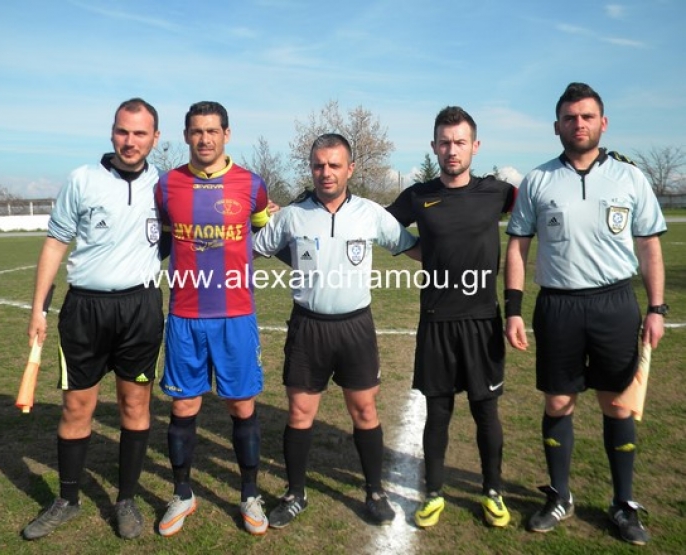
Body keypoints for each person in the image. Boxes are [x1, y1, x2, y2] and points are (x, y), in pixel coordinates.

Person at [504, 82, 666, 546]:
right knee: (558, 402)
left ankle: (623, 503)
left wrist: (656, 308)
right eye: (570, 117)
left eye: (587, 116)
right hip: (557, 305)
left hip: (614, 304)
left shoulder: (630, 178)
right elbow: (517, 248)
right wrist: (513, 310)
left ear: (603, 122)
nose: (579, 124)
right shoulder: (536, 181)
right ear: (557, 126)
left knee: (617, 405)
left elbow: (649, 246)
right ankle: (559, 496)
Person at [253, 133, 420, 528]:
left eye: (333, 165)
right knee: (300, 412)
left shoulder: (371, 213)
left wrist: (461, 248)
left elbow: (412, 247)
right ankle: (295, 493)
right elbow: (251, 249)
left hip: (355, 328)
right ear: (311, 168)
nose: (325, 172)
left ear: (350, 169)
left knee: (364, 409)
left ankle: (374, 492)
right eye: (318, 165)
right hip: (308, 327)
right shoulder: (292, 216)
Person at [22, 98, 164, 540]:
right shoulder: (82, 180)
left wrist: (261, 210)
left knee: (134, 405)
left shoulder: (166, 185)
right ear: (112, 133)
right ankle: (66, 499)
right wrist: (37, 309)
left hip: (140, 310)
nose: (130, 141)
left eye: (140, 133)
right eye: (123, 131)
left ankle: (125, 499)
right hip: (85, 309)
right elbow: (54, 243)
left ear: (155, 139)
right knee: (77, 406)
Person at [386, 106, 516, 529]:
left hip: (482, 321)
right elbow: (384, 228)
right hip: (437, 320)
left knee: (485, 411)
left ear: (475, 146)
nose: (452, 149)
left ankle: (493, 492)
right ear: (433, 146)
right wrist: (423, 252)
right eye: (444, 142)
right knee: (437, 413)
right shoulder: (419, 195)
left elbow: (541, 204)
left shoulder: (498, 192)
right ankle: (434, 493)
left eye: (460, 142)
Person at [154, 101, 271, 537]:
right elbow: (161, 238)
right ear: (186, 136)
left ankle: (249, 494)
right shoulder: (166, 185)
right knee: (184, 405)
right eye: (196, 131)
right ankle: (183, 494)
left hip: (235, 315)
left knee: (242, 405)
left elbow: (261, 227)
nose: (204, 139)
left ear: (227, 134)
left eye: (212, 131)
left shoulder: (251, 184)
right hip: (185, 314)